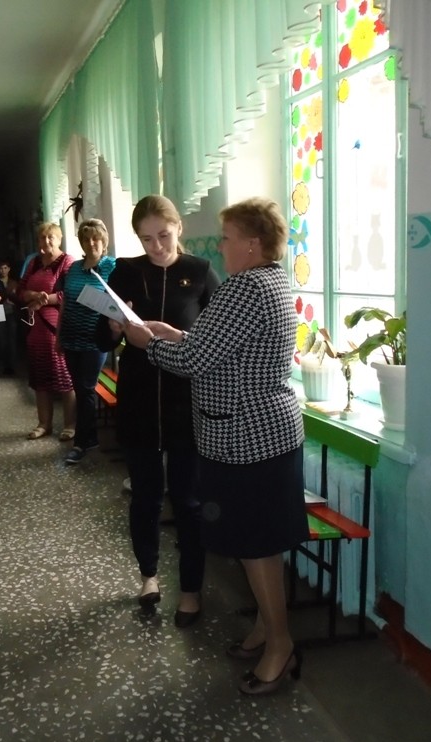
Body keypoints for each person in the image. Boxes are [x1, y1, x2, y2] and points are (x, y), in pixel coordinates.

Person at [122, 197, 308, 696]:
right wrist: (174, 333)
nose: (220, 247)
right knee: (260, 542)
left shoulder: (245, 288)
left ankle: (281, 646)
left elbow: (194, 362)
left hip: (247, 438)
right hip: (268, 431)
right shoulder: (272, 280)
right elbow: (218, 345)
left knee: (255, 546)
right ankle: (267, 628)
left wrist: (148, 344)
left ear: (251, 244)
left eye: (227, 238)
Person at [96, 196, 219, 629]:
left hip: (188, 405)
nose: (156, 247)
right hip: (140, 401)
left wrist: (179, 336)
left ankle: (190, 590)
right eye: (146, 239)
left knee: (189, 501)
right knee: (145, 496)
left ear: (178, 228)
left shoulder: (201, 272)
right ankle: (148, 575)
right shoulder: (125, 272)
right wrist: (112, 329)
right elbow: (103, 341)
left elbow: (217, 341)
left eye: (163, 236)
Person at [57, 218, 115, 465]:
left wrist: (96, 301)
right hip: (71, 338)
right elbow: (65, 303)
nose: (91, 243)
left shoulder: (111, 266)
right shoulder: (73, 268)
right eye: (86, 239)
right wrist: (59, 336)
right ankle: (89, 438)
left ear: (104, 241)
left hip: (94, 339)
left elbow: (118, 303)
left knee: (85, 388)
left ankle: (82, 442)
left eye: (96, 238)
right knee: (80, 389)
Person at [18, 222, 75, 440]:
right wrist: (33, 295)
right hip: (35, 328)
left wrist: (45, 299)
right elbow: (21, 290)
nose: (47, 241)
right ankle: (44, 424)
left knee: (65, 377)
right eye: (43, 237)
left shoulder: (67, 261)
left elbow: (70, 292)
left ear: (59, 239)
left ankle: (70, 425)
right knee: (39, 377)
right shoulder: (33, 262)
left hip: (57, 328)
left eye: (51, 237)